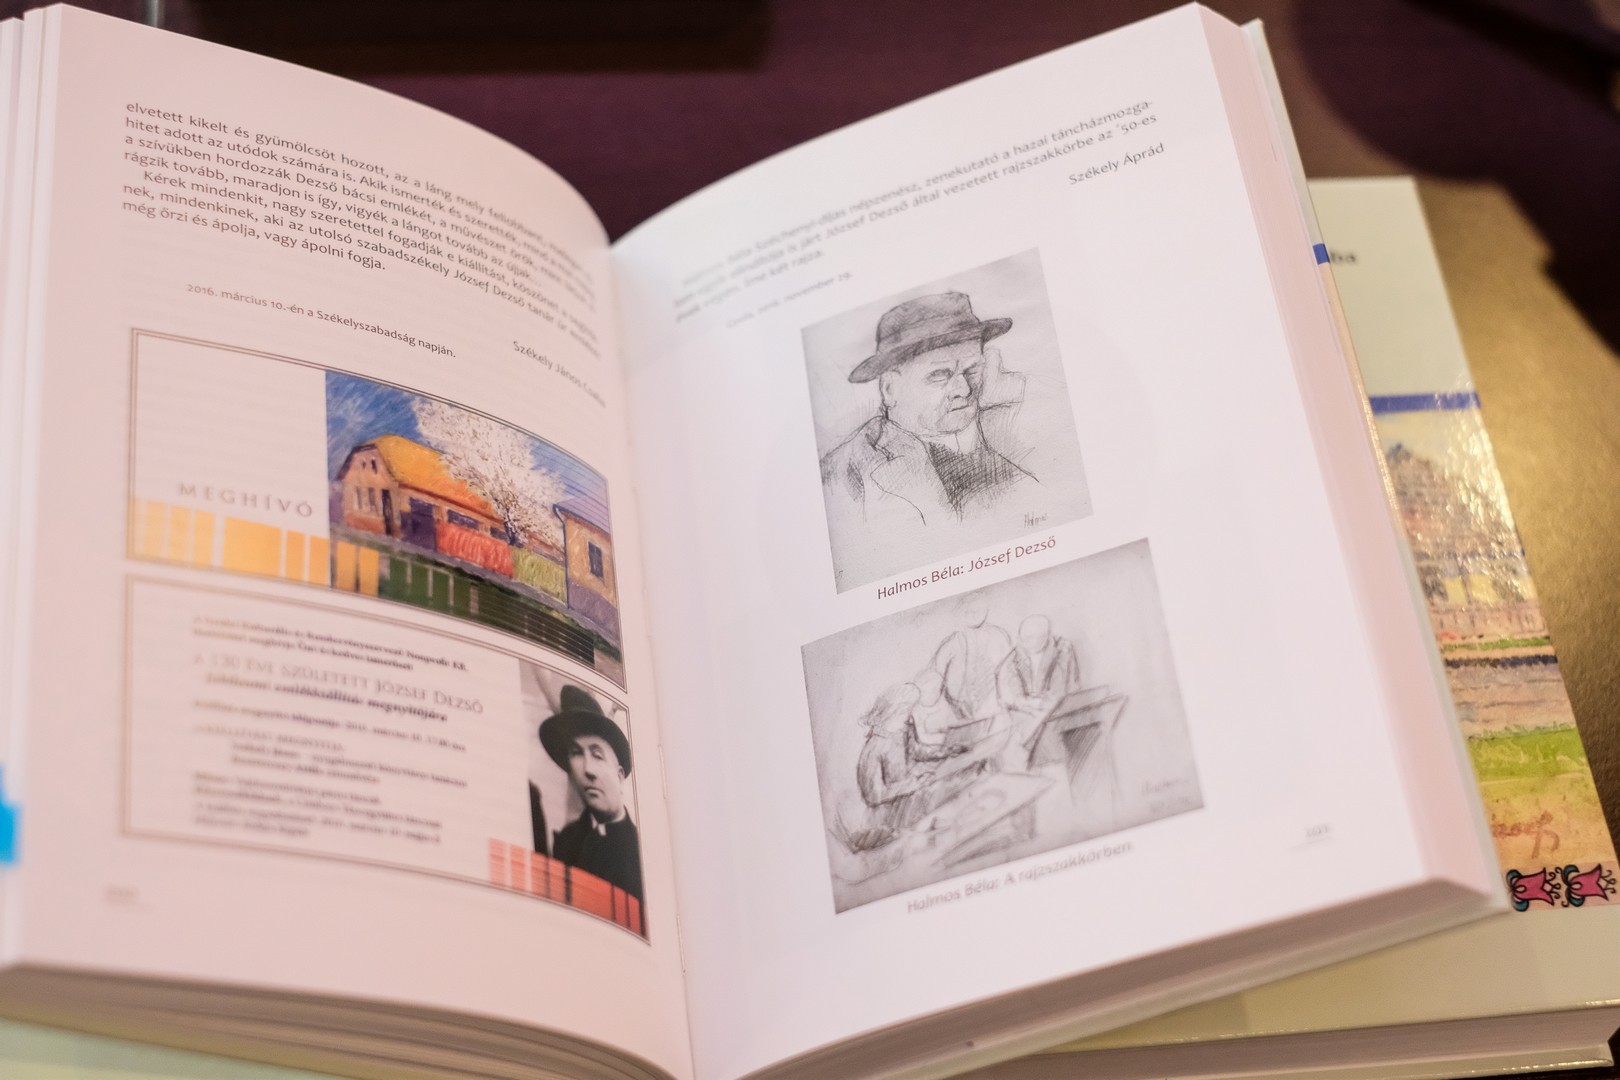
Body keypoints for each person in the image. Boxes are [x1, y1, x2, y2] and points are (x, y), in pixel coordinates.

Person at [820, 292, 1035, 529]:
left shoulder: (1008, 465)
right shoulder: (840, 476)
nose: (964, 389)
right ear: (890, 389)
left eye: (972, 370)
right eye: (939, 375)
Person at [539, 685, 643, 903]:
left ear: (619, 776)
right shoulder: (566, 842)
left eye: (597, 755)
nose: (588, 769)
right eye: (576, 753)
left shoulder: (640, 851)